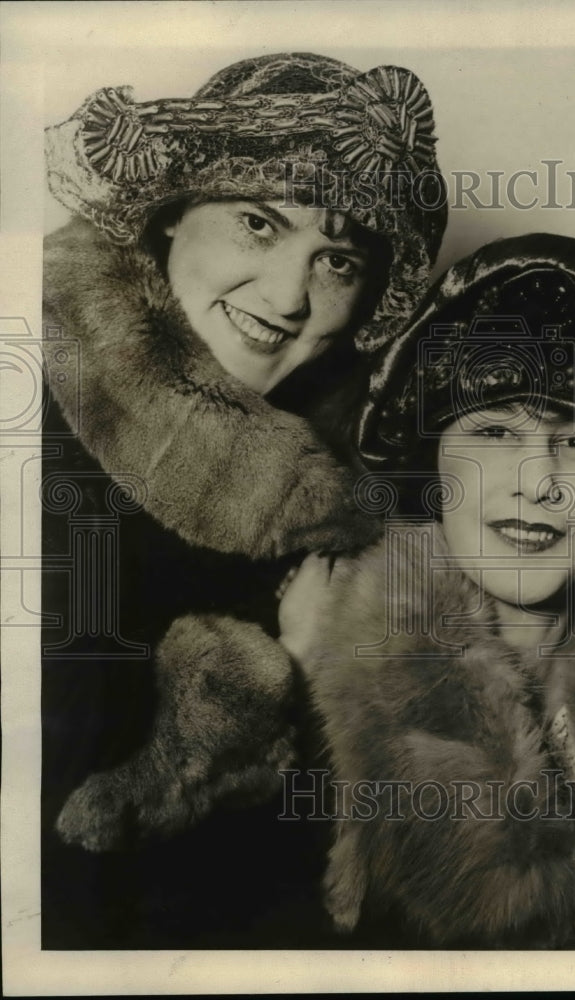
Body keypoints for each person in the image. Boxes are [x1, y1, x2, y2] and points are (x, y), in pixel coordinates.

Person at [41, 52, 445, 945]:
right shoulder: (31, 437)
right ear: (170, 215)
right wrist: (298, 674)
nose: (290, 296)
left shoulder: (350, 499)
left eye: (337, 259)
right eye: (260, 223)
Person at [279, 233, 575, 949]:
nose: (535, 481)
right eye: (492, 433)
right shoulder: (296, 666)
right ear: (435, 464)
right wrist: (307, 687)